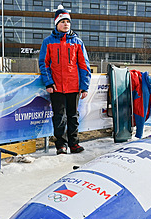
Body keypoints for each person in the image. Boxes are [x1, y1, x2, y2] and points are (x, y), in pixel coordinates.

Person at [38, 5, 91, 155]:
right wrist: (48, 82)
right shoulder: (48, 42)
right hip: (56, 87)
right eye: (62, 21)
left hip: (74, 87)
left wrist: (84, 86)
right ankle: (61, 145)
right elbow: (44, 63)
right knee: (59, 117)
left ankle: (74, 143)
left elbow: (84, 65)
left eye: (68, 21)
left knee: (73, 117)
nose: (66, 24)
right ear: (56, 23)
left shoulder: (77, 42)